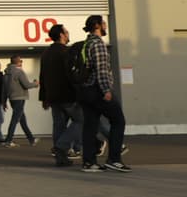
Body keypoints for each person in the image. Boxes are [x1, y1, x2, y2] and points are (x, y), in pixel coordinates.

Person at [77, 14, 130, 173]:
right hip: (97, 90)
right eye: (104, 24)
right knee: (118, 120)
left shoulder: (85, 44)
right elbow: (101, 70)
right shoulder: (98, 44)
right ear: (97, 26)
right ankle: (114, 159)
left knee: (90, 126)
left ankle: (89, 162)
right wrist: (106, 90)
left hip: (85, 90)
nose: (106, 26)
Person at [39, 23, 82, 166]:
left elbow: (42, 76)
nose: (68, 34)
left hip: (53, 96)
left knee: (59, 125)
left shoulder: (46, 53)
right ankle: (61, 146)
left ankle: (60, 158)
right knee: (82, 120)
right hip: (68, 95)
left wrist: (44, 97)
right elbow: (71, 74)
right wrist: (79, 92)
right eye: (66, 32)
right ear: (62, 35)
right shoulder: (66, 52)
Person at [1, 55, 38, 146]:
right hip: (20, 98)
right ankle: (8, 140)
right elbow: (27, 85)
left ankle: (31, 139)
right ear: (18, 62)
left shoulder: (6, 73)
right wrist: (35, 83)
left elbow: (4, 89)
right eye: (21, 61)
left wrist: (4, 101)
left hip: (12, 98)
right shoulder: (19, 72)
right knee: (15, 119)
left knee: (22, 119)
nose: (21, 63)